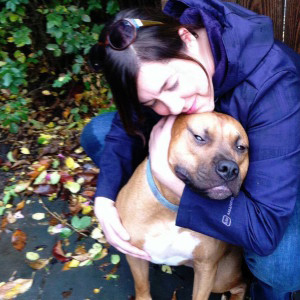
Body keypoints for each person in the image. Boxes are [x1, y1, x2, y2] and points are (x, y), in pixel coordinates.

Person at [81, 0, 300, 299]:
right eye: (152, 103)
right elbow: (125, 126)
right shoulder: (153, 51)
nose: (173, 107)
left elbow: (264, 230)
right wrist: (105, 198)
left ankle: (257, 288)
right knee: (97, 134)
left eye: (172, 84)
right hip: (200, 163)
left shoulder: (277, 85)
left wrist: (166, 175)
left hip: (277, 175)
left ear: (187, 39)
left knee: (281, 265)